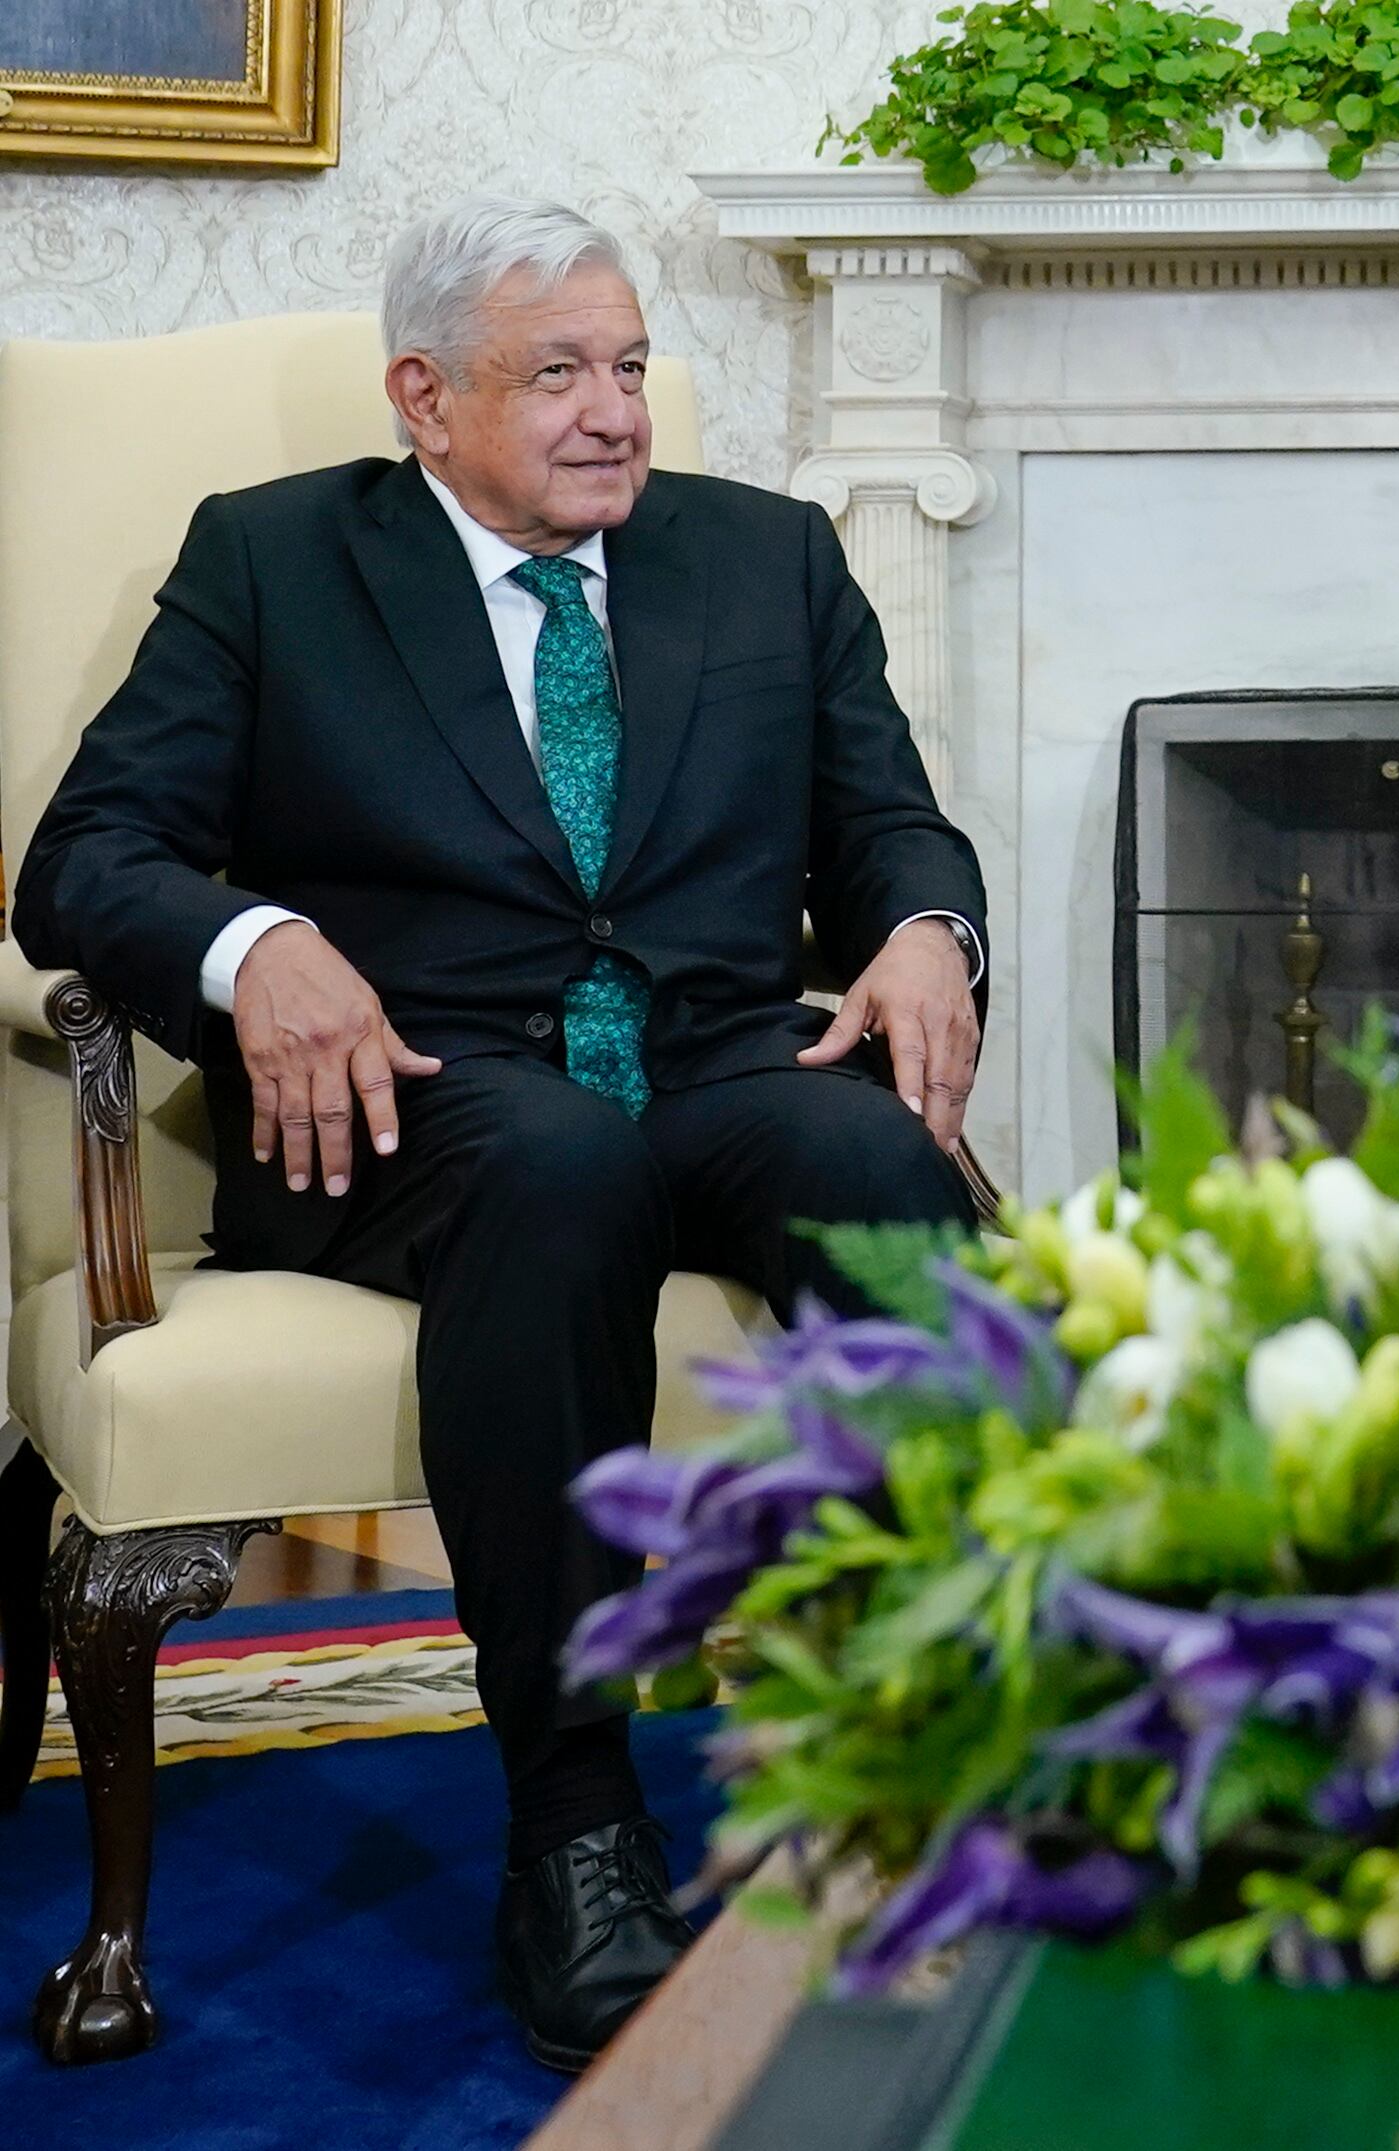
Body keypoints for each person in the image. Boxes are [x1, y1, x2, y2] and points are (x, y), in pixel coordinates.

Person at [13, 198, 991, 2067]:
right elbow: (90, 859)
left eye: (627, 368)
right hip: (420, 1102)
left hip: (717, 1067)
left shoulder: (771, 559)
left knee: (880, 1168)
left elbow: (891, 828)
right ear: (425, 397)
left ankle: (936, 1766)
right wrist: (259, 944)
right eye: (559, 375)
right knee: (559, 1167)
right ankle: (574, 1822)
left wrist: (932, 934)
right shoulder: (277, 560)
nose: (616, 412)